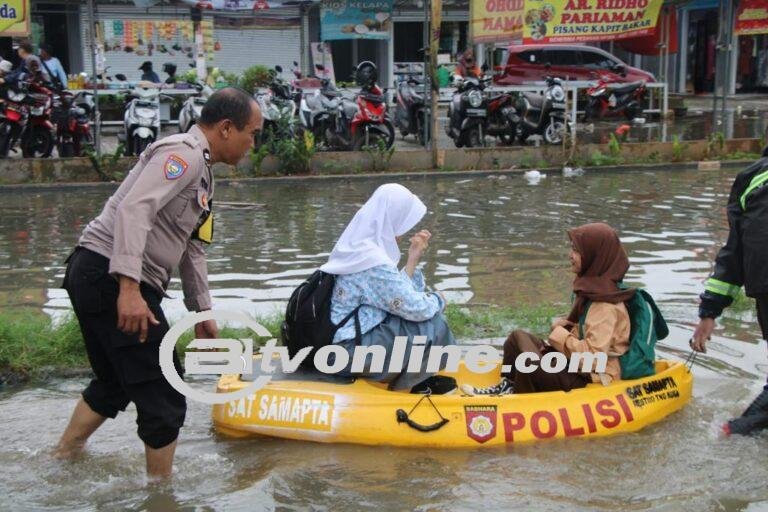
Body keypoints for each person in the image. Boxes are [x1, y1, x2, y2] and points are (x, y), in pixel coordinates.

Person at [53, 88, 263, 478]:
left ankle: (63, 456)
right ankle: (161, 495)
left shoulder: (204, 174)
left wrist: (202, 311)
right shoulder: (183, 154)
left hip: (97, 273)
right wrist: (129, 288)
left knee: (115, 382)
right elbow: (134, 209)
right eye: (252, 133)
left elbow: (192, 247)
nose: (253, 143)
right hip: (110, 275)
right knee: (165, 391)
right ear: (226, 128)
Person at [463, 223, 632, 395]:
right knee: (517, 339)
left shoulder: (605, 306)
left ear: (594, 256)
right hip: (571, 365)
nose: (570, 255)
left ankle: (518, 395)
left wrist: (560, 334)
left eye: (576, 251)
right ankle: (510, 385)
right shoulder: (592, 291)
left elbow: (593, 360)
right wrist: (567, 329)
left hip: (586, 376)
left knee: (528, 362)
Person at [322, 183, 457, 394]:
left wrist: (412, 259)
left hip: (337, 345)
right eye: (402, 222)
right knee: (434, 325)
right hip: (345, 354)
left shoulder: (356, 247)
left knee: (414, 320)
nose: (403, 231)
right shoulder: (372, 262)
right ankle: (410, 387)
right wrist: (439, 299)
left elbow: (393, 296)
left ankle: (411, 379)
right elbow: (417, 308)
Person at [692, 151, 768, 436]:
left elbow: (734, 252)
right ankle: (732, 431)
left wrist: (709, 312)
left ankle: (733, 431)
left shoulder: (750, 177)